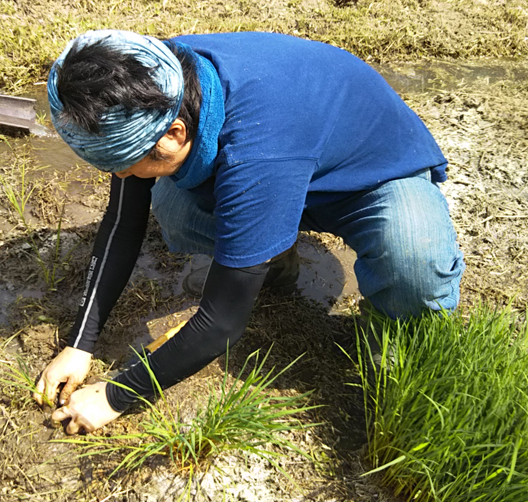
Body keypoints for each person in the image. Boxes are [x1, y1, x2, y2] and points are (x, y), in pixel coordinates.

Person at [33, 30, 465, 434]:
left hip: (372, 174)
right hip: (288, 157)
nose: (121, 175)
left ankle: (402, 346)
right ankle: (271, 257)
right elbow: (123, 221)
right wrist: (80, 343)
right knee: (177, 209)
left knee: (414, 263)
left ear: (175, 133)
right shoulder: (150, 79)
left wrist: (116, 395)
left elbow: (221, 322)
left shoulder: (257, 152)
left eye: (125, 164)